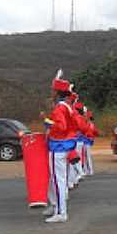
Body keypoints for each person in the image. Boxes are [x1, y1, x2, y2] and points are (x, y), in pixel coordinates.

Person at [43, 70, 77, 223]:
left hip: (58, 147)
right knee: (58, 180)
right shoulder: (67, 106)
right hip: (64, 146)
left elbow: (61, 127)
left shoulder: (60, 108)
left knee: (58, 181)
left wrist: (46, 121)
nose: (51, 93)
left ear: (57, 92)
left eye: (53, 90)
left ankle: (60, 212)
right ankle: (57, 208)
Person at [84, 110, 98, 176]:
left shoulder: (90, 124)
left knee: (87, 156)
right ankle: (87, 170)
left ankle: (89, 170)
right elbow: (95, 133)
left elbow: (94, 132)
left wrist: (90, 137)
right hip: (86, 141)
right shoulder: (90, 124)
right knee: (86, 156)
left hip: (87, 142)